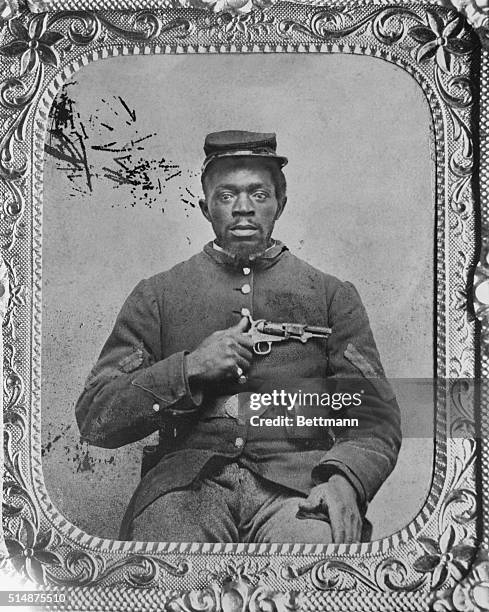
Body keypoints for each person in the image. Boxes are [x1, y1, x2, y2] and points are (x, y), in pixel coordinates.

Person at [75, 130, 401, 544]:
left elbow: (376, 419)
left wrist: (344, 481)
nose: (243, 208)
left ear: (280, 204)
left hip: (296, 492)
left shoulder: (332, 296)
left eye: (259, 195)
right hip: (185, 490)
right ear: (205, 207)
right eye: (226, 196)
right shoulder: (157, 295)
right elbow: (95, 420)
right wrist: (189, 369)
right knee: (167, 556)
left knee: (312, 559)